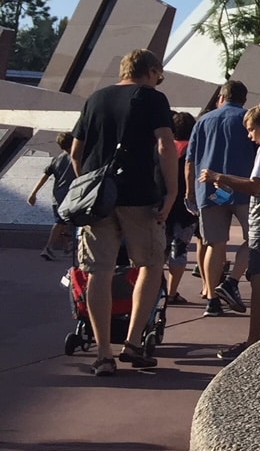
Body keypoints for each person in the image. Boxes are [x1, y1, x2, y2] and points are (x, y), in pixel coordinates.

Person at [68, 48, 177, 377]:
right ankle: (132, 343)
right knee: (151, 264)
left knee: (98, 272)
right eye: (159, 74)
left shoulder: (95, 98)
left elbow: (76, 151)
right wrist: (171, 192)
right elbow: (165, 144)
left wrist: (88, 186)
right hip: (140, 195)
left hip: (98, 199)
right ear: (152, 70)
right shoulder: (152, 98)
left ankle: (103, 354)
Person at [199, 102, 260, 361]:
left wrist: (220, 177)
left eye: (251, 130)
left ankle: (254, 341)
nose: (250, 136)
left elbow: (254, 186)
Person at [188, 79, 255, 316]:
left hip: (209, 190)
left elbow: (190, 161)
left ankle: (211, 297)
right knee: (254, 238)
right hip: (244, 188)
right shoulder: (250, 120)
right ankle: (231, 282)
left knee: (214, 244)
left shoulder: (203, 121)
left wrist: (189, 193)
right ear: (243, 99)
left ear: (221, 97)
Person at [164, 111, 198, 304]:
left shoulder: (165, 148)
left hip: (164, 205)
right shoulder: (192, 150)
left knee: (160, 249)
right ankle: (171, 291)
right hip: (185, 208)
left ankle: (155, 287)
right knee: (179, 249)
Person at [27, 131, 76, 261]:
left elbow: (45, 176)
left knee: (63, 222)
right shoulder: (77, 157)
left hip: (57, 196)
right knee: (61, 222)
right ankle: (48, 247)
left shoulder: (57, 159)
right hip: (69, 196)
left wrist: (33, 193)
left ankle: (67, 247)